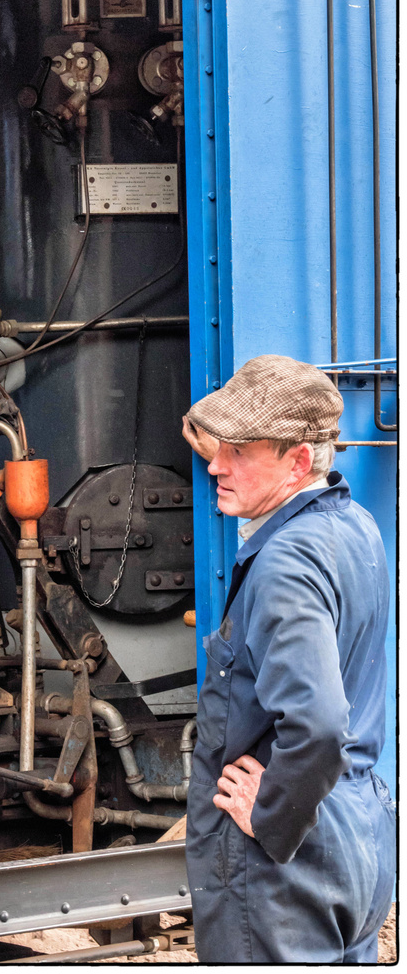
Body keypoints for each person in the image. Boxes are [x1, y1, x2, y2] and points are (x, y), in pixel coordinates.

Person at [181, 354, 395, 963]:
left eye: (240, 451)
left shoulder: (285, 564)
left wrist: (272, 816)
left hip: (285, 868)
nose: (215, 465)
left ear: (298, 460)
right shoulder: (355, 526)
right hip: (357, 833)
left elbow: (320, 723)